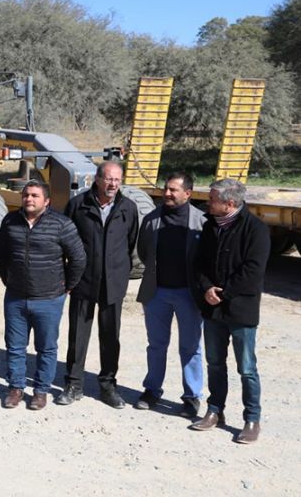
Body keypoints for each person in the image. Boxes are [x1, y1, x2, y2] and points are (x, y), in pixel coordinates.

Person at [191, 178, 269, 444]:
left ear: (230, 203)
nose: (208, 203)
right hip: (213, 310)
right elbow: (199, 264)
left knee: (246, 367)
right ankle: (215, 411)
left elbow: (252, 270)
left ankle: (252, 418)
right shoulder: (211, 226)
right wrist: (205, 288)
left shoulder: (256, 229)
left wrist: (223, 293)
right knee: (215, 363)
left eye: (212, 199)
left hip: (240, 310)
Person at [0, 180, 86, 410]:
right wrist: (9, 280)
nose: (29, 199)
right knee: (15, 346)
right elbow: (2, 254)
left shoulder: (62, 224)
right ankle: (16, 388)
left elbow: (78, 258)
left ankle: (40, 391)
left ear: (47, 201)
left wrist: (68, 285)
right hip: (16, 297)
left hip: (49, 298)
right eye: (26, 195)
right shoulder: (10, 221)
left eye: (35, 195)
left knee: (46, 347)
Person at [58, 161, 138, 409]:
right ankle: (73, 384)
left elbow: (131, 243)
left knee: (110, 336)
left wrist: (122, 274)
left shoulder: (128, 208)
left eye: (117, 179)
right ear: (97, 179)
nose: (113, 184)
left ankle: (107, 386)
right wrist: (67, 275)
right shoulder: (78, 205)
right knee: (78, 335)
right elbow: (63, 241)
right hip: (84, 280)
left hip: (113, 283)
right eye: (108, 179)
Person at [134, 173, 205, 416]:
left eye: (174, 190)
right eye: (166, 189)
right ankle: (152, 390)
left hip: (188, 294)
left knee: (191, 347)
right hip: (157, 293)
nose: (167, 194)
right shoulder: (152, 219)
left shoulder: (201, 222)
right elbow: (144, 251)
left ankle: (192, 396)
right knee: (156, 345)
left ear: (188, 193)